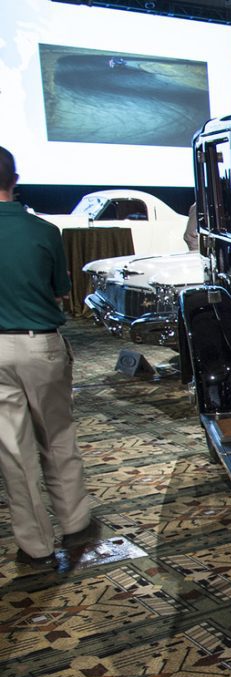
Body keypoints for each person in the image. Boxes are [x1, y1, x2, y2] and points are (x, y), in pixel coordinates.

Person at [0, 145, 98, 567]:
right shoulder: (43, 231)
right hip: (39, 342)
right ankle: (75, 522)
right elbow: (60, 289)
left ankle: (35, 546)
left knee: (12, 452)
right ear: (15, 180)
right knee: (57, 436)